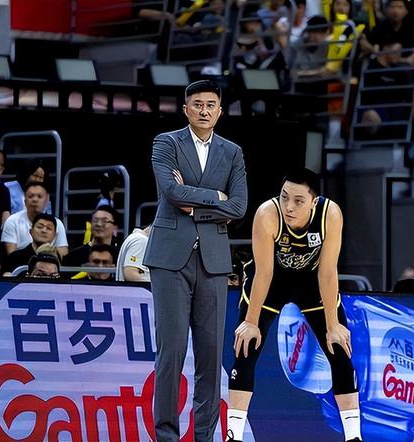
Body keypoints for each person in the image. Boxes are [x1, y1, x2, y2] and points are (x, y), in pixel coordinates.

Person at [142, 79, 247, 442]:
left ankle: (204, 435)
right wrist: (215, 197)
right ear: (186, 109)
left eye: (211, 105)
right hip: (170, 258)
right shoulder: (166, 142)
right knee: (171, 352)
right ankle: (167, 435)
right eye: (198, 104)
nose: (204, 111)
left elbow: (239, 206)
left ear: (220, 111)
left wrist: (196, 204)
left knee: (211, 356)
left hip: (214, 261)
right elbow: (171, 192)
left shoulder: (232, 151)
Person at [227, 168, 360, 442]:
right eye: (284, 197)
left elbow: (328, 272)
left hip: (312, 281)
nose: (289, 207)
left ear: (314, 201)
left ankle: (354, 436)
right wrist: (250, 322)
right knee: (245, 346)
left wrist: (333, 325)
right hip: (271, 281)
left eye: (298, 201)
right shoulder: (267, 214)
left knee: (339, 349)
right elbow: (264, 272)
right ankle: (233, 435)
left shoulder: (330, 214)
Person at [1, 182, 68, 257]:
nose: (35, 200)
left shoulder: (57, 223)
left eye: (39, 196)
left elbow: (63, 253)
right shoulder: (12, 221)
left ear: (46, 201)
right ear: (25, 201)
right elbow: (11, 256)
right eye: (30, 196)